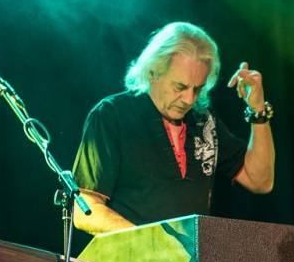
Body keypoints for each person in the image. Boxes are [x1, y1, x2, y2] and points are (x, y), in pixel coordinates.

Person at [71, 21, 275, 234]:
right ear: (152, 72)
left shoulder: (203, 120)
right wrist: (153, 243)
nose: (189, 99)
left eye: (198, 88)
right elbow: (85, 209)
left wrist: (258, 112)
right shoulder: (112, 115)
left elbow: (260, 181)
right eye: (180, 87)